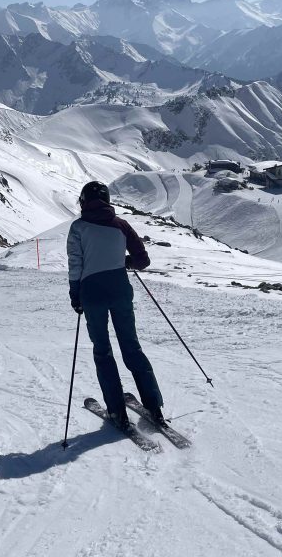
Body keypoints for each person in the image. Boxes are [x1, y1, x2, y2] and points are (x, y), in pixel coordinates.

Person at [67, 181, 165, 428]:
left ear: (83, 201)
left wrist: (75, 295)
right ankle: (154, 407)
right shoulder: (121, 225)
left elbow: (75, 264)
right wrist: (123, 262)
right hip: (120, 290)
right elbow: (142, 261)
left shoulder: (78, 228)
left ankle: (116, 411)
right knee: (131, 346)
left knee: (103, 351)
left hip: (92, 293)